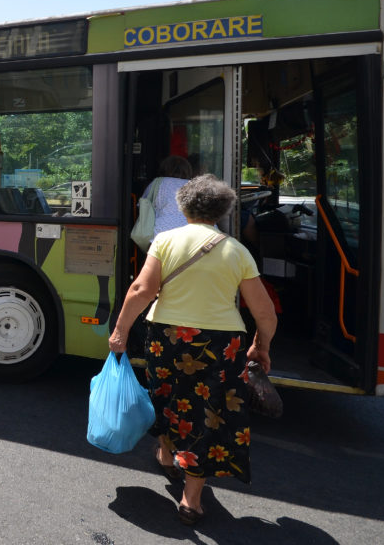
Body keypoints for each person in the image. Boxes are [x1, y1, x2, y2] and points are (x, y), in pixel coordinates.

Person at [108, 174, 277, 526]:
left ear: (183, 205)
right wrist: (261, 346)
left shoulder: (165, 240)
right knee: (208, 412)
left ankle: (168, 457)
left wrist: (121, 331)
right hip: (221, 345)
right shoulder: (236, 250)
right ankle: (191, 498)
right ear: (224, 209)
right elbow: (264, 311)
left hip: (168, 337)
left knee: (170, 396)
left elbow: (141, 289)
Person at [140, 155, 193, 239]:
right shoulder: (194, 185)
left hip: (162, 233)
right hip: (192, 233)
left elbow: (143, 205)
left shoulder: (157, 183)